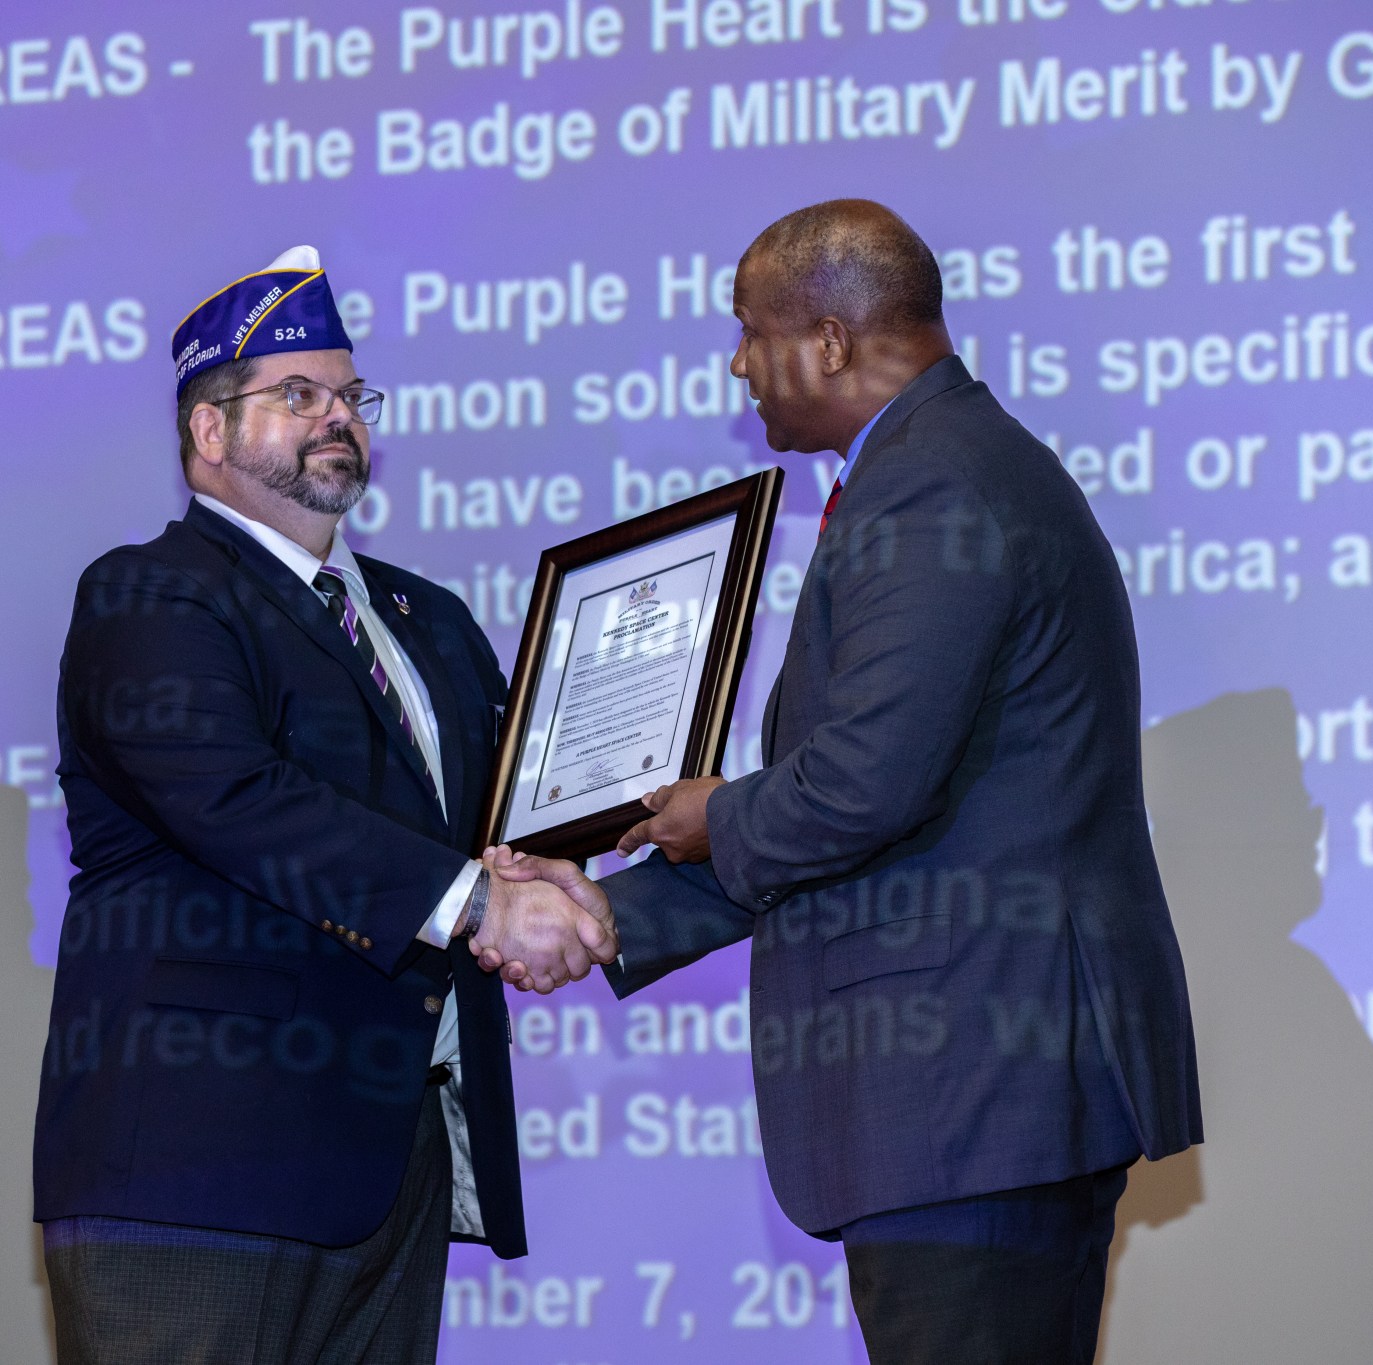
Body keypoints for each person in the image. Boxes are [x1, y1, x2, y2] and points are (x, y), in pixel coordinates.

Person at [490, 201, 1202, 1363]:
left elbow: (861, 788)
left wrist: (712, 810)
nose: (734, 362)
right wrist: (609, 914)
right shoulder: (939, 465)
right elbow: (879, 807)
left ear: (826, 340)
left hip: (973, 1090)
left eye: (747, 329)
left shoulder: (931, 485)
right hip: (981, 1095)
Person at [32, 246, 615, 1365]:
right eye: (296, 394)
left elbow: (505, 821)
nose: (335, 416)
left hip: (388, 1166)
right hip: (198, 1172)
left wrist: (610, 828)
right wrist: (482, 909)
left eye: (349, 396)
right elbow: (233, 798)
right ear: (208, 432)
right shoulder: (153, 592)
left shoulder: (426, 618)